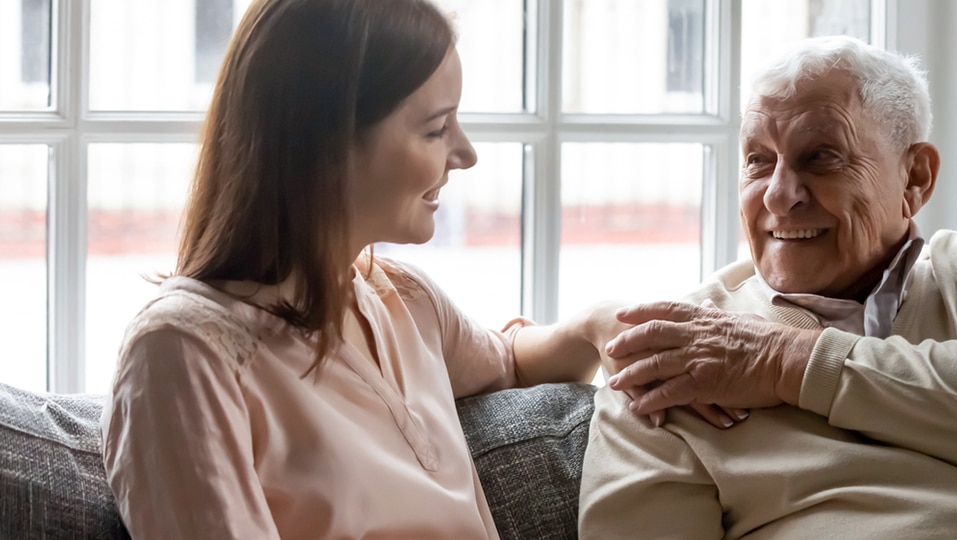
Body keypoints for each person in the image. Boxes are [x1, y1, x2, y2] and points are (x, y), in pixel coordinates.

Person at [100, 1, 616, 538]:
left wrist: (600, 325)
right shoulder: (182, 352)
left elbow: (510, 364)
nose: (465, 154)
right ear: (326, 142)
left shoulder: (405, 301)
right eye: (437, 129)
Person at [579, 36, 957, 539]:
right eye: (758, 161)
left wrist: (786, 362)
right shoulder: (678, 357)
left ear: (915, 177)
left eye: (821, 156)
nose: (778, 195)